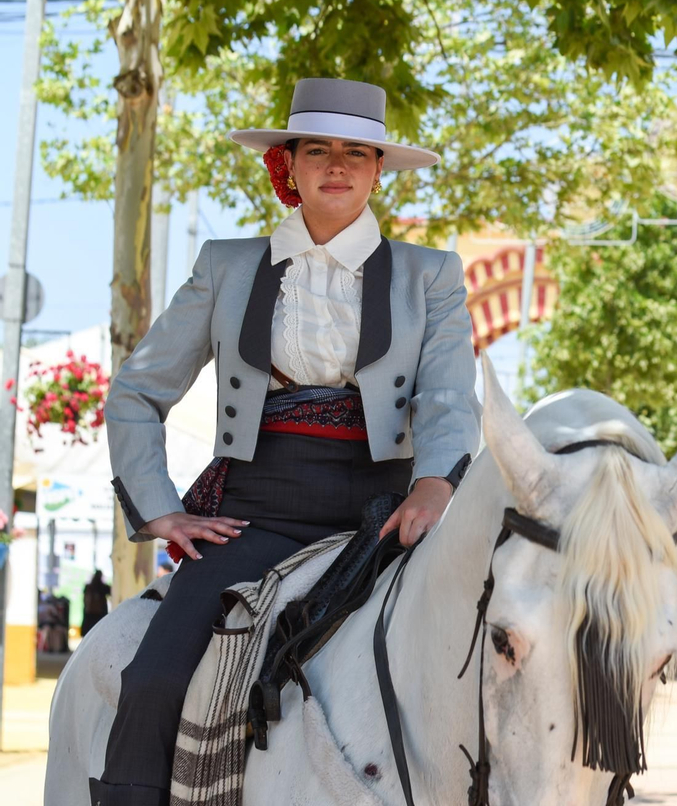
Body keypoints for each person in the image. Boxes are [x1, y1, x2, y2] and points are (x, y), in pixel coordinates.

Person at [92, 79, 479, 806]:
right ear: (288, 166)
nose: (338, 164)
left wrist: (435, 486)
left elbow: (450, 398)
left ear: (377, 169)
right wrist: (162, 508)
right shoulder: (226, 265)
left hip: (386, 515)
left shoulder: (433, 275)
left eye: (357, 152)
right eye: (319, 149)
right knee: (153, 677)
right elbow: (137, 392)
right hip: (254, 510)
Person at [81, 570, 111, 637]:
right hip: (99, 615)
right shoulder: (103, 588)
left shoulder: (89, 587)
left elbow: (85, 601)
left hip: (90, 615)